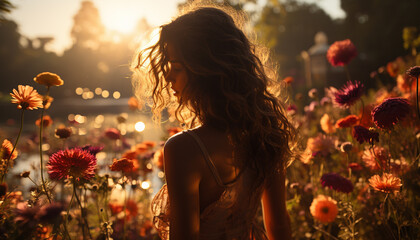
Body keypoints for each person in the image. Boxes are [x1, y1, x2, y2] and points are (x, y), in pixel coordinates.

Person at [132, 2, 296, 239]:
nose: (167, 76)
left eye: (176, 66)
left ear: (205, 70)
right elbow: (279, 228)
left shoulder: (184, 149)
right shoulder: (266, 133)